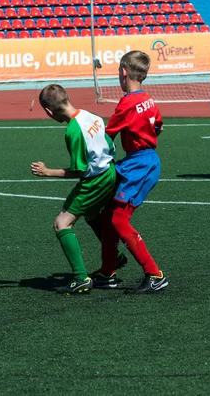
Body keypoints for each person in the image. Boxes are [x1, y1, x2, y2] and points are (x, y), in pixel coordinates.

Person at [31, 84, 121, 295]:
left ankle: (81, 278)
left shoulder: (73, 130)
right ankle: (113, 257)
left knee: (61, 224)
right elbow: (110, 145)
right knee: (90, 214)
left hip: (94, 181)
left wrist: (47, 172)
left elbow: (79, 171)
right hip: (109, 172)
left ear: (48, 111)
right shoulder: (91, 115)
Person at [92, 50, 169, 294]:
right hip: (141, 160)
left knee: (118, 218)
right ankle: (107, 273)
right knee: (107, 217)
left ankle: (154, 275)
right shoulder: (149, 98)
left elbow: (107, 137)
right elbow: (158, 126)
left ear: (123, 72)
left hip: (139, 164)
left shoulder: (126, 103)